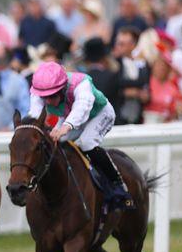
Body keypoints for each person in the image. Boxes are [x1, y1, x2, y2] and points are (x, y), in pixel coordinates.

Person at [28, 61, 133, 210]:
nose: (48, 101)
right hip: (71, 117)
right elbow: (34, 115)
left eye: (52, 96)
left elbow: (82, 108)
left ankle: (117, 183)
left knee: (86, 143)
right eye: (45, 97)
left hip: (99, 114)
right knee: (55, 143)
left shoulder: (81, 84)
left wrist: (65, 127)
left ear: (62, 88)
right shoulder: (38, 91)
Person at [0, 48, 30, 131]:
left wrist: (10, 127)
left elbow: (25, 110)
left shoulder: (19, 81)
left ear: (5, 61)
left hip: (8, 135)